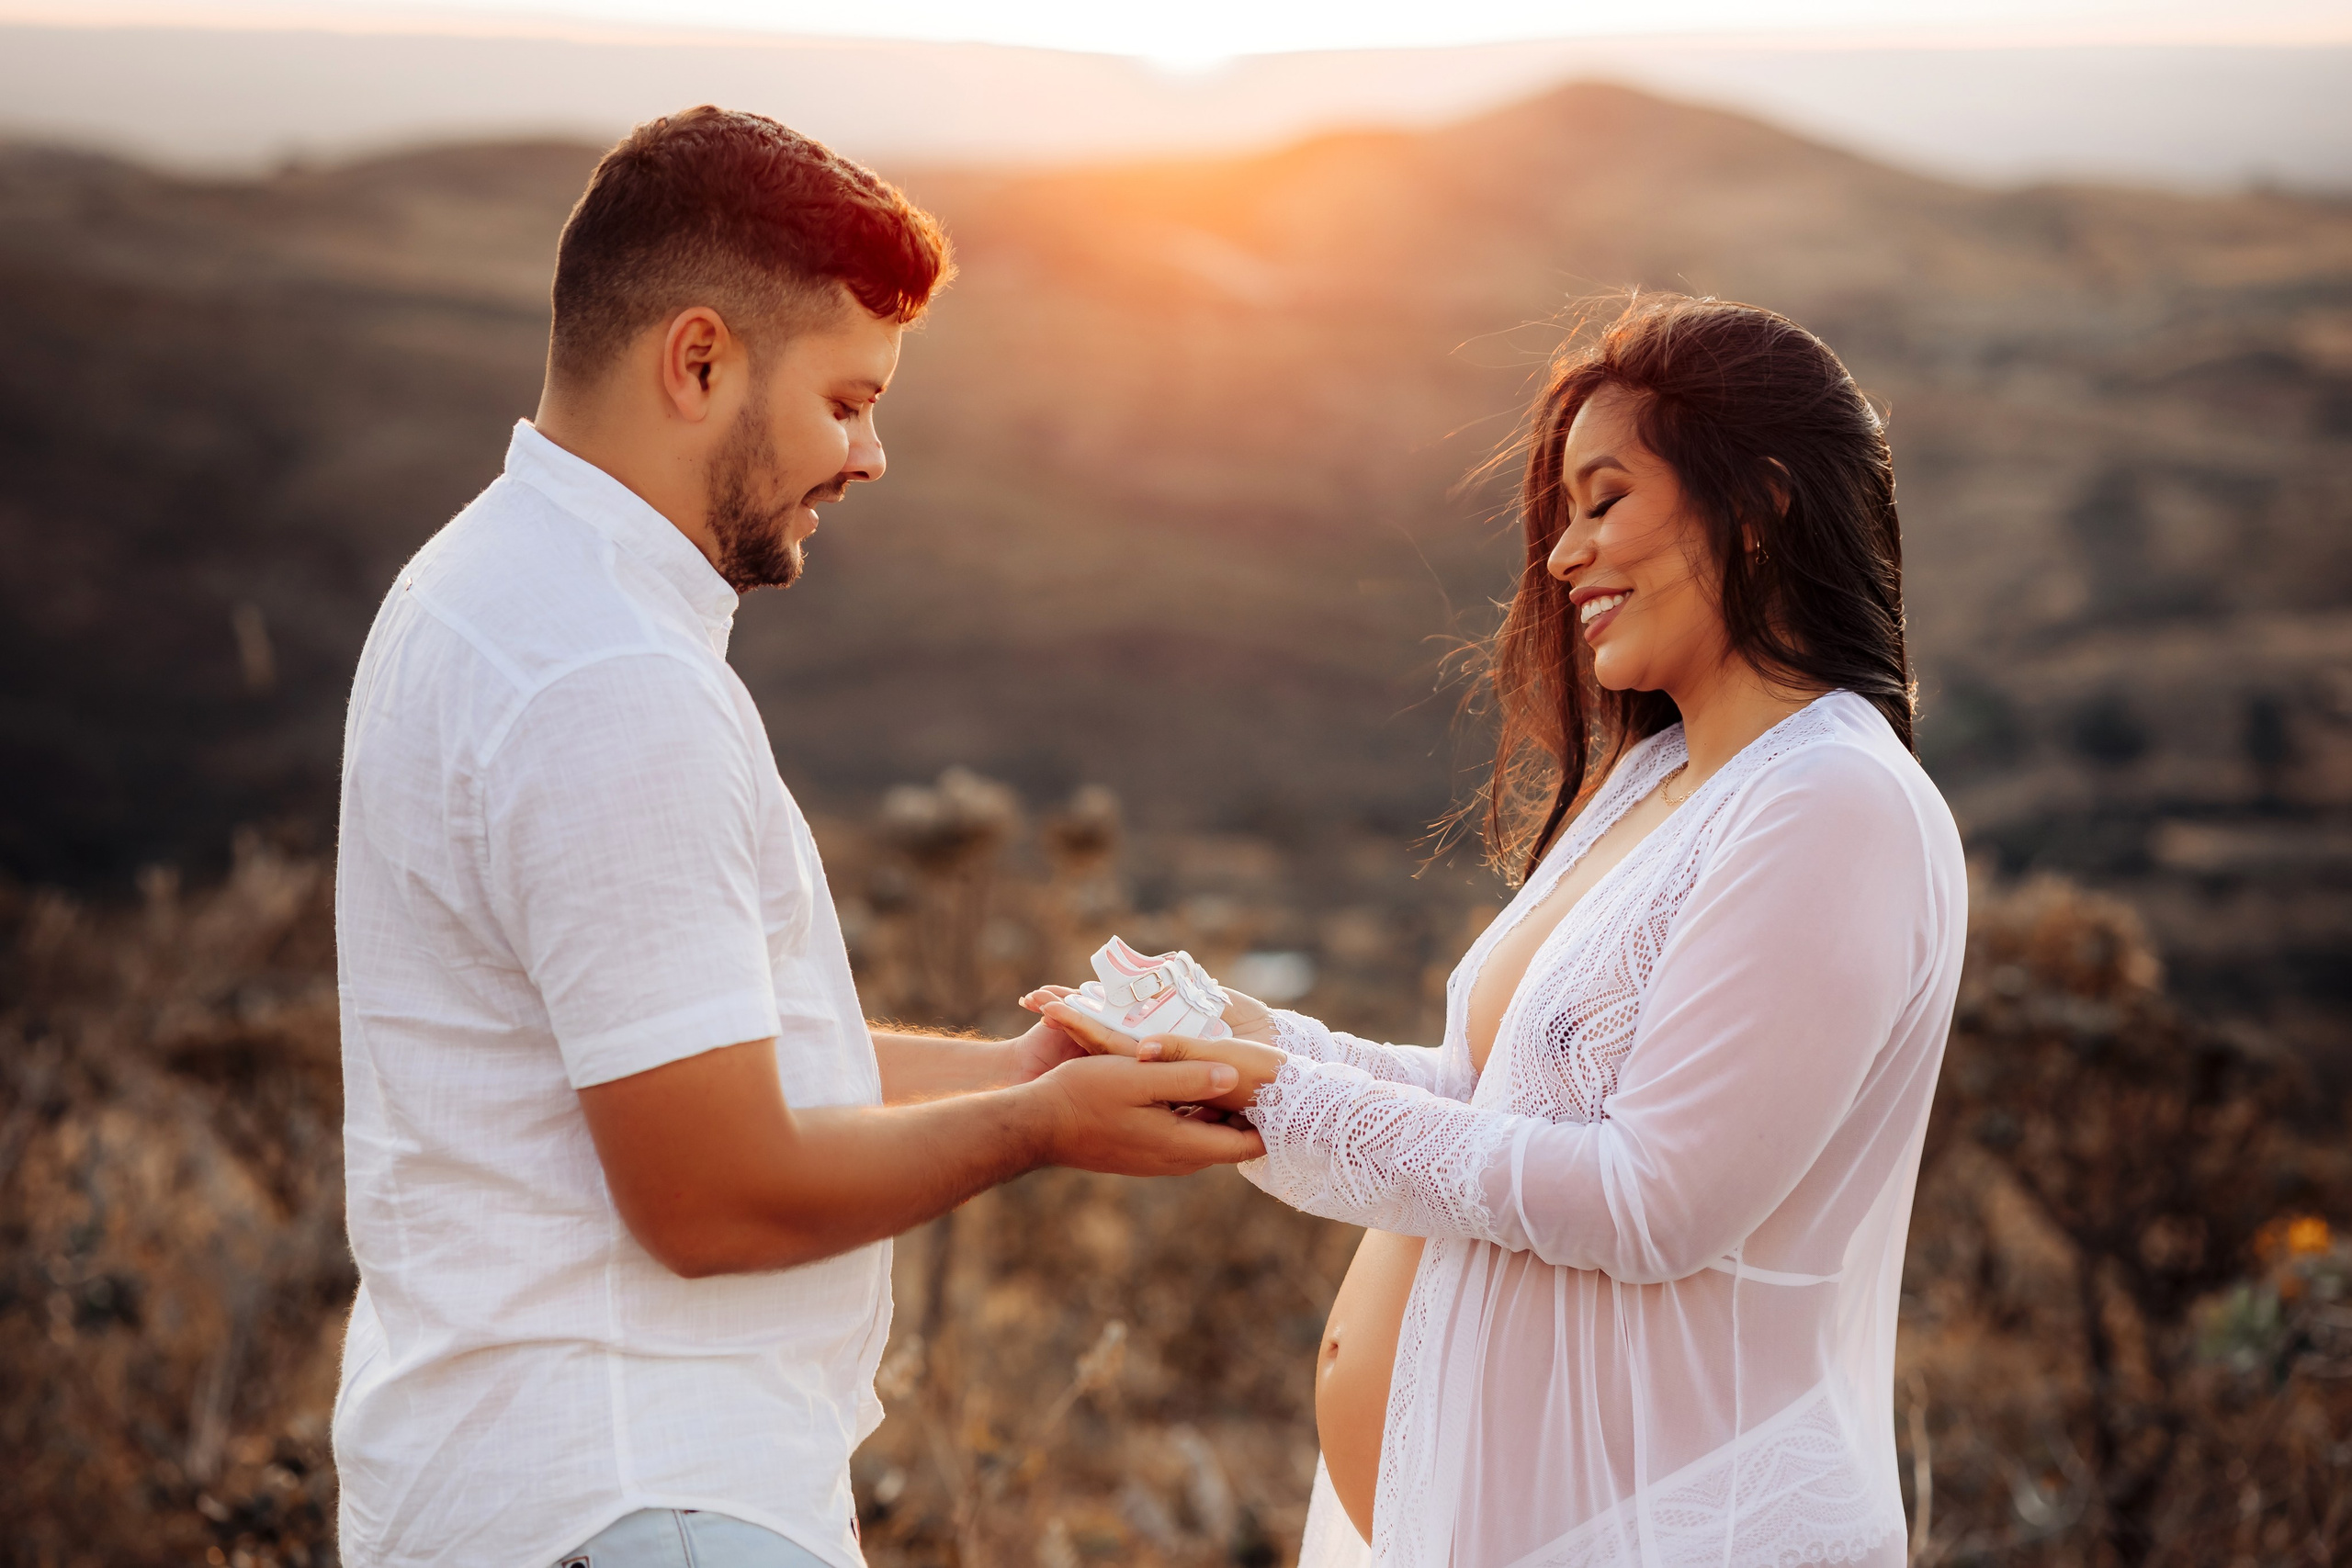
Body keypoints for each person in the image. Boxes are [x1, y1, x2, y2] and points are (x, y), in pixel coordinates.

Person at [331, 107, 1261, 1568]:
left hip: (526, 1483)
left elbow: (690, 1066)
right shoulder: (612, 686)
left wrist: (1016, 1069)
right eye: (846, 402)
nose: (872, 456)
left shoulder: (476, 588)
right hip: (642, 1497)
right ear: (698, 361)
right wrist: (1032, 1131)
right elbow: (709, 1196)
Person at [1038, 296, 1966, 1567]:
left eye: (1604, 500)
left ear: (1757, 502)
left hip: (1678, 1529)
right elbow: (1500, 1099)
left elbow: (1655, 1202)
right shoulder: (1663, 779)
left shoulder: (1836, 804)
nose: (1562, 556)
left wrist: (1295, 1101)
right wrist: (1257, 1047)